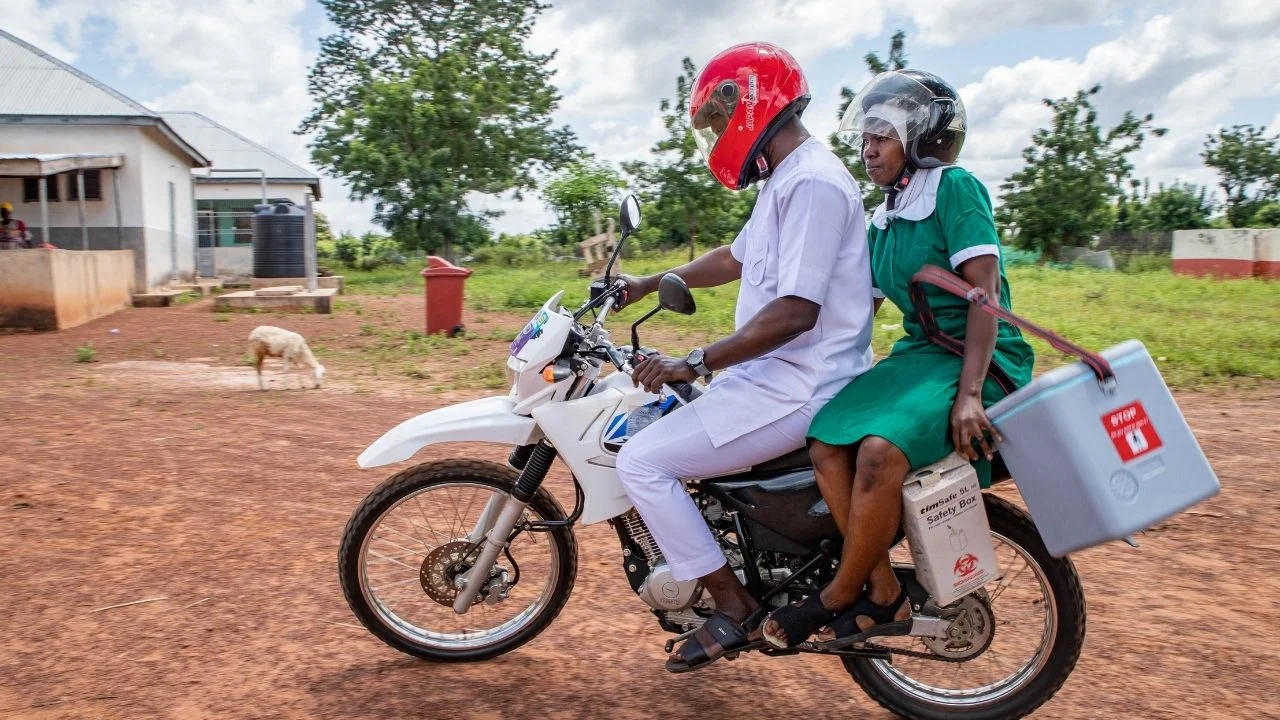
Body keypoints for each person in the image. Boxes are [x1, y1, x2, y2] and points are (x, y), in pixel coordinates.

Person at [613, 41, 874, 672]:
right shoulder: (788, 179)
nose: (717, 136)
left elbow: (796, 311)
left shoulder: (812, 183)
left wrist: (697, 361)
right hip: (776, 377)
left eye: (718, 121)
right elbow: (734, 258)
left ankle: (734, 606)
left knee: (643, 463)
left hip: (799, 385)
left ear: (750, 102)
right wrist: (651, 281)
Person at [760, 70, 1036, 649]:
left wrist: (967, 396)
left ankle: (838, 593)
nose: (867, 149)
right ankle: (880, 590)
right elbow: (855, 302)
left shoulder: (955, 190)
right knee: (826, 439)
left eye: (882, 137)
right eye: (864, 138)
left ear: (920, 138)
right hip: (918, 355)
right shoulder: (885, 214)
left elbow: (983, 296)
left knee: (880, 453)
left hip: (977, 357)